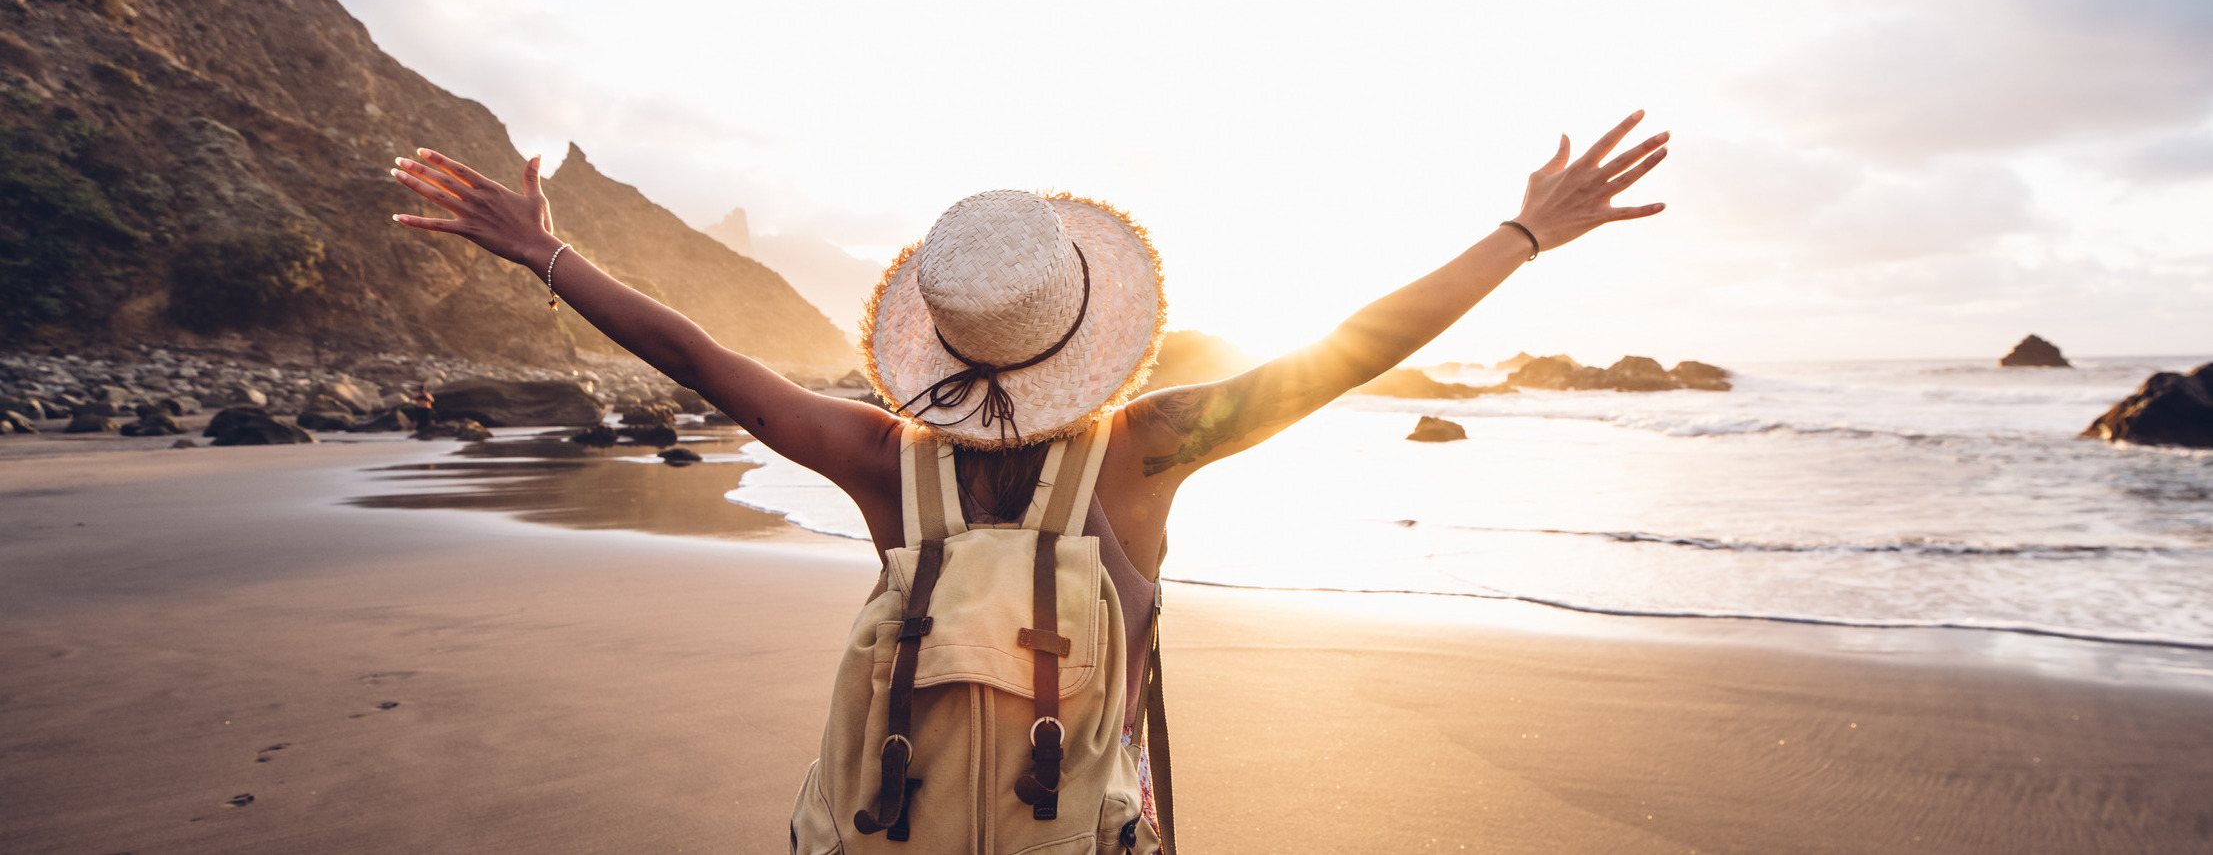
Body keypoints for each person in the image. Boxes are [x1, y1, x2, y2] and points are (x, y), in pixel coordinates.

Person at [387, 110, 1668, 849]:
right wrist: (1522, 234)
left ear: (939, 345)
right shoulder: (1145, 448)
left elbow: (702, 358)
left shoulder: (881, 457)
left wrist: (549, 256)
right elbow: (1349, 348)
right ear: (1089, 325)